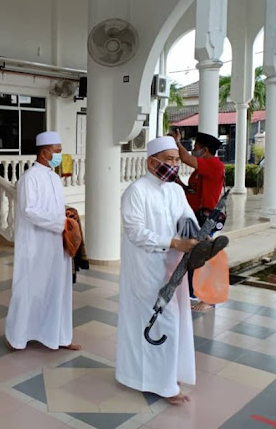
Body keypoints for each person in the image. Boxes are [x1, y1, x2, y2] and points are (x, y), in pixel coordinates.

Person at [117, 136, 199, 406]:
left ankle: (155, 377)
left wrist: (198, 234)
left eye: (176, 160)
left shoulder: (175, 190)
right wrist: (173, 242)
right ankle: (163, 384)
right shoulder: (136, 191)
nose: (174, 165)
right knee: (163, 323)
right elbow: (135, 231)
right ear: (152, 162)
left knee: (164, 323)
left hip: (172, 268)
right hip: (145, 270)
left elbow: (187, 217)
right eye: (168, 159)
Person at [5, 131, 81, 351]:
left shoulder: (54, 177)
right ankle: (17, 336)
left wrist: (66, 217)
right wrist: (60, 223)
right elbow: (30, 211)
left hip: (57, 244)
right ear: (44, 152)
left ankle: (59, 337)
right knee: (28, 288)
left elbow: (52, 208)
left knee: (57, 289)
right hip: (35, 244)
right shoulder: (29, 178)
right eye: (57, 151)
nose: (60, 155)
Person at [170, 129, 225, 311]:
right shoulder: (201, 170)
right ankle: (195, 293)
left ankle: (209, 300)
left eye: (196, 147)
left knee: (204, 258)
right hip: (196, 217)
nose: (194, 149)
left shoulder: (213, 165)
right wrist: (178, 182)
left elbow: (185, 158)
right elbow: (193, 192)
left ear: (206, 149)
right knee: (194, 256)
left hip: (206, 219)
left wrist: (176, 142)